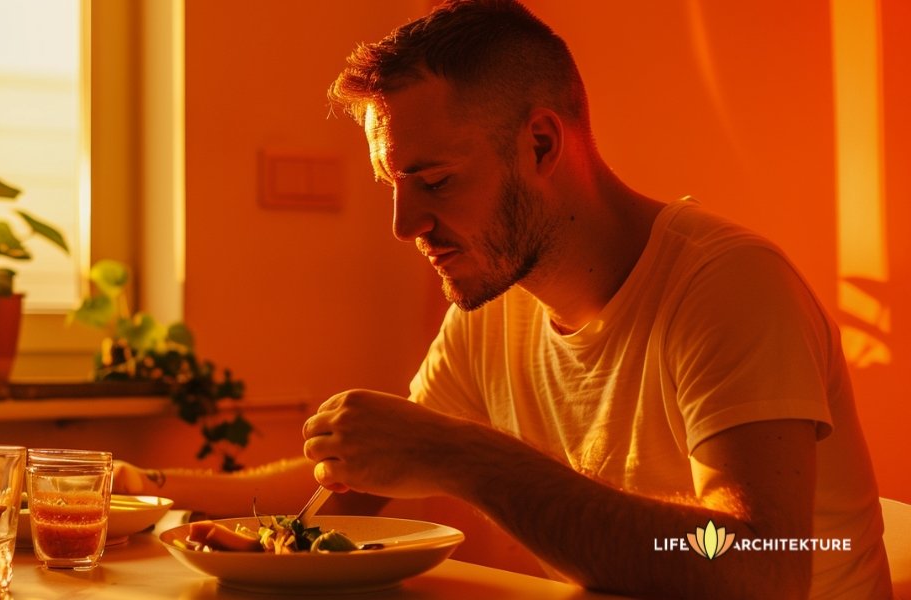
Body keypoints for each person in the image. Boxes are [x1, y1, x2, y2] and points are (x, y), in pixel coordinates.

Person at [118, 1, 893, 597]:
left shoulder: (727, 285)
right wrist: (145, 490)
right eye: (395, 185)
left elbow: (757, 570)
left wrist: (465, 458)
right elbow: (360, 476)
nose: (405, 224)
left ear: (543, 145)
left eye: (437, 181)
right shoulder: (493, 306)